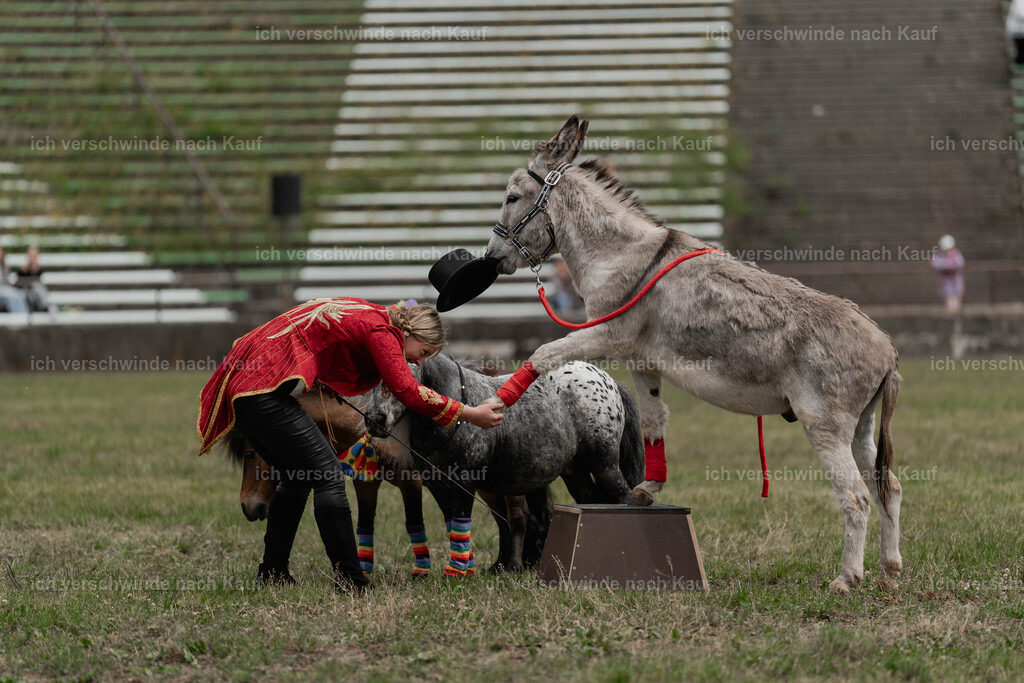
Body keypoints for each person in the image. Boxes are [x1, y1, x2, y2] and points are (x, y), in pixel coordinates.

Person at [196, 297, 504, 591]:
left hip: (251, 383)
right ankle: (351, 580)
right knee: (328, 475)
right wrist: (471, 413)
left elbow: (320, 337)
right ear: (408, 333)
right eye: (422, 351)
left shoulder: (370, 314)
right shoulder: (383, 332)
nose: (418, 360)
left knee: (297, 477)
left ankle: (273, 572)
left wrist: (323, 379)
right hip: (262, 387)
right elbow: (408, 391)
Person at [931, 235, 965, 313]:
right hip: (946, 282)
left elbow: (960, 263)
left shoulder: (956, 254)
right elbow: (934, 263)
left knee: (956, 300)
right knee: (949, 300)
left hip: (956, 282)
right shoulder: (940, 255)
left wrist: (948, 263)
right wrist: (948, 264)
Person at [14, 245, 51, 313]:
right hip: (26, 297)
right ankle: (46, 307)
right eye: (30, 255)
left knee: (37, 287)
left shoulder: (42, 270)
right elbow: (17, 285)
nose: (32, 257)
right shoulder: (22, 271)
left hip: (38, 298)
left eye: (34, 255)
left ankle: (45, 307)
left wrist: (35, 270)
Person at [0, 246, 29, 313]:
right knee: (13, 296)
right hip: (2, 290)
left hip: (4, 289)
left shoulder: (3, 266)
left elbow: (6, 280)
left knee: (21, 294)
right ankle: (19, 317)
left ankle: (23, 315)